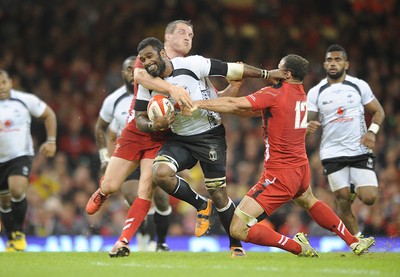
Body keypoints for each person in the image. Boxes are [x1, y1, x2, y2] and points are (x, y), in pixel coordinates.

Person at [189, 54, 375, 256]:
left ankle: (297, 247)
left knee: (238, 227)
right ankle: (353, 241)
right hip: (300, 169)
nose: (273, 71)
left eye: (278, 68)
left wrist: (198, 103)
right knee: (308, 200)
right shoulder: (301, 95)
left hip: (279, 174)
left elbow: (235, 105)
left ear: (286, 74)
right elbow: (248, 111)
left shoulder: (274, 94)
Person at [134, 37, 285, 258]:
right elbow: (139, 118)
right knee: (160, 172)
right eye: (143, 59)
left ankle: (236, 246)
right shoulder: (148, 83)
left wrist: (267, 74)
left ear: (163, 53)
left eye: (150, 56)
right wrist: (152, 124)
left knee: (219, 193)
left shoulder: (192, 64)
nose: (147, 62)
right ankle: (200, 205)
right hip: (179, 138)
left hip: (209, 136)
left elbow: (232, 69)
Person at [86, 20, 198, 257]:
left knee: (145, 191)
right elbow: (138, 93)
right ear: (167, 40)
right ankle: (103, 192)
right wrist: (169, 95)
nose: (187, 37)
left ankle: (123, 242)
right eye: (182, 33)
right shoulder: (146, 65)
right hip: (136, 132)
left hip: (161, 139)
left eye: (190, 34)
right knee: (111, 185)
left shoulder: (192, 67)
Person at [307, 44, 385, 236]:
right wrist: (307, 126)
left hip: (358, 149)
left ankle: (352, 186)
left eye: (338, 60)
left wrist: (372, 132)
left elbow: (378, 111)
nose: (333, 64)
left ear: (346, 64)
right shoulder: (316, 92)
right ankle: (358, 241)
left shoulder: (359, 86)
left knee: (369, 197)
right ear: (325, 64)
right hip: (332, 151)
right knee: (342, 199)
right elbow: (307, 120)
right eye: (329, 60)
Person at [94, 56, 171, 251]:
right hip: (129, 153)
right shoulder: (113, 100)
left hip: (153, 149)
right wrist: (106, 157)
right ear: (123, 73)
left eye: (133, 69)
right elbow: (104, 130)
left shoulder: (156, 91)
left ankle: (160, 242)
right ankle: (146, 240)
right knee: (131, 194)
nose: (131, 73)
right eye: (128, 70)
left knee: (160, 197)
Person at [0, 69, 57, 252]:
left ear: (11, 82)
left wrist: (51, 141)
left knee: (17, 189)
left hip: (20, 155)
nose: (1, 87)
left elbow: (49, 114)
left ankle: (18, 233)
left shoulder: (24, 100)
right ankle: (12, 240)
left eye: (3, 82)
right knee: (4, 202)